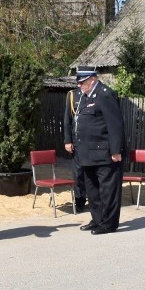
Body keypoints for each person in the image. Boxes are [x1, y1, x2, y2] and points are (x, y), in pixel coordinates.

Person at [72, 66, 126, 235]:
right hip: (88, 154)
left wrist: (116, 151)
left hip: (104, 153)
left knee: (108, 190)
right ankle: (97, 219)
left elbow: (115, 125)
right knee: (93, 189)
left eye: (82, 82)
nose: (80, 86)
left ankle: (109, 223)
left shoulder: (105, 94)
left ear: (93, 79)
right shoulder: (85, 97)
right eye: (79, 83)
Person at [63, 84, 87, 212]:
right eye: (80, 81)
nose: (81, 83)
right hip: (77, 141)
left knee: (92, 172)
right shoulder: (72, 95)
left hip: (92, 142)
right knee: (78, 173)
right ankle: (80, 201)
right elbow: (67, 119)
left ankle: (94, 198)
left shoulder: (97, 94)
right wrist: (68, 140)